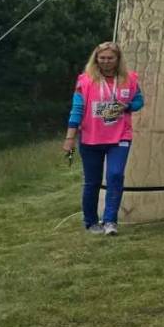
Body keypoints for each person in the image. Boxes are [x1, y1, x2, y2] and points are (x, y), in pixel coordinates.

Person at [63, 41, 144, 235]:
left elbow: (139, 100)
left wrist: (128, 106)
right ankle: (91, 221)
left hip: (120, 135)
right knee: (92, 181)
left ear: (118, 59)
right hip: (91, 137)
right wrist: (70, 137)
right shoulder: (85, 80)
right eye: (102, 58)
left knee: (115, 175)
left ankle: (110, 221)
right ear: (96, 59)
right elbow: (77, 109)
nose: (106, 62)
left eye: (110, 58)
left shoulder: (130, 79)